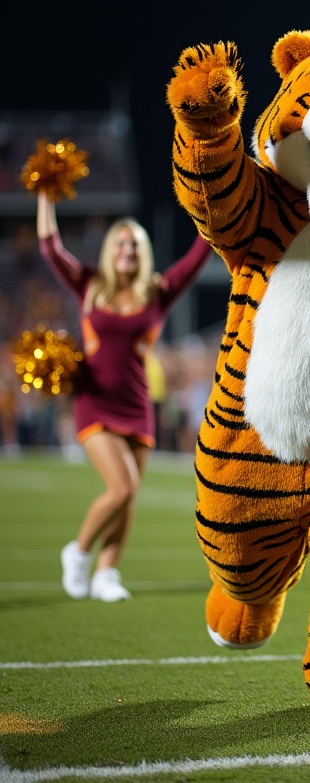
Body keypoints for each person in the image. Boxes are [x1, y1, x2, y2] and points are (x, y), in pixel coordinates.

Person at [37, 190, 211, 601]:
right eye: (121, 242)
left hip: (137, 404)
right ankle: (78, 552)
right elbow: (51, 248)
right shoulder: (90, 285)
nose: (128, 249)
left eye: (135, 243)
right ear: (110, 250)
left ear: (144, 252)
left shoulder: (157, 292)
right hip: (93, 402)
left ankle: (107, 573)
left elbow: (197, 256)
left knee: (128, 496)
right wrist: (46, 194)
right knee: (122, 487)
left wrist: (213, 207)